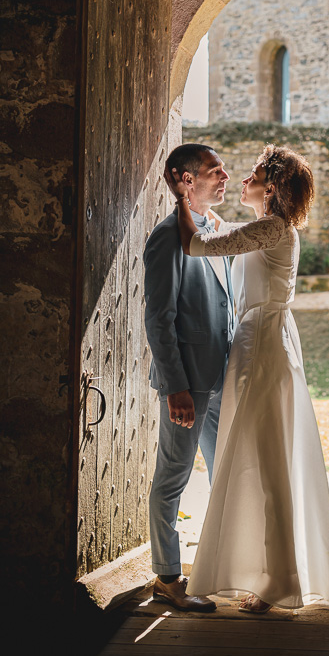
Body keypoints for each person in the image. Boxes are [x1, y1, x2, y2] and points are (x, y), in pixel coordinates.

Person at [164, 144, 329, 614]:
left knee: (266, 464)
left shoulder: (270, 229)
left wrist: (183, 195)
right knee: (260, 460)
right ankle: (265, 572)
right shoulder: (265, 230)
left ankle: (277, 582)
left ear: (272, 188)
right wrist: (198, 207)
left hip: (263, 346)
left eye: (254, 174)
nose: (242, 180)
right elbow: (220, 231)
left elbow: (197, 244)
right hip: (260, 342)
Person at [143, 142, 235, 612]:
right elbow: (159, 318)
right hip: (189, 386)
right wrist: (175, 385)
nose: (225, 178)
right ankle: (167, 576)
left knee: (227, 475)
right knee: (173, 477)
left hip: (223, 380)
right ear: (186, 179)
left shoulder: (213, 230)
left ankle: (223, 566)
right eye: (216, 172)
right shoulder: (166, 237)